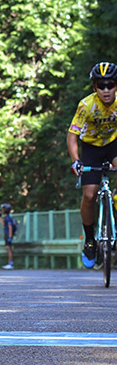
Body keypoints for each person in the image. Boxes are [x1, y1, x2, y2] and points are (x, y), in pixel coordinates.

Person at [67, 61, 117, 270]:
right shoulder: (86, 105)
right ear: (95, 87)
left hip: (114, 145)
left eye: (111, 84)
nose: (106, 90)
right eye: (101, 85)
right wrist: (76, 161)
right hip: (91, 149)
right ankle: (90, 241)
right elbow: (72, 136)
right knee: (89, 195)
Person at [0, 203, 15, 269]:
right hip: (6, 234)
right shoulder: (6, 218)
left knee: (9, 249)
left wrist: (10, 236)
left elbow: (10, 227)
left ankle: (11, 264)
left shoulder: (8, 218)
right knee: (8, 248)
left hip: (8, 235)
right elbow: (4, 225)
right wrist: (0, 218)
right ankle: (10, 263)